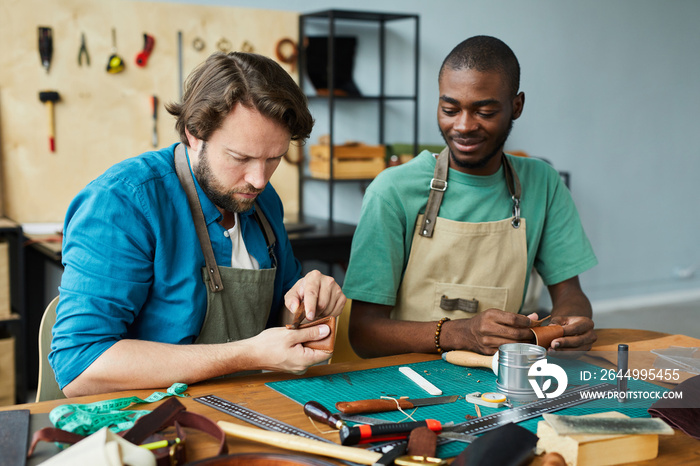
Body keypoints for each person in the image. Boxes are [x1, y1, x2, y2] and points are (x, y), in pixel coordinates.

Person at [50, 52, 346, 397]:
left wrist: (307, 302)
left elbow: (282, 315)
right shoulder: (122, 203)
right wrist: (245, 355)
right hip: (149, 422)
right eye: (240, 158)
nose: (258, 179)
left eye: (273, 159)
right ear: (194, 134)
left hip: (250, 405)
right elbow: (80, 366)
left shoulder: (263, 203)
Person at [343, 36, 597, 358]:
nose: (463, 126)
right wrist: (460, 333)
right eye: (450, 109)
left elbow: (570, 293)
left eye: (485, 111)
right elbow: (363, 334)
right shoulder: (392, 191)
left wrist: (570, 324)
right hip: (407, 377)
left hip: (498, 376)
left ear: (516, 106)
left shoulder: (541, 183)